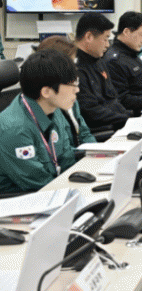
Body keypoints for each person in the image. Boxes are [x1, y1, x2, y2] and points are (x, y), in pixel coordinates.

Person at [0, 50, 82, 193]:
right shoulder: (14, 130)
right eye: (72, 85)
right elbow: (38, 183)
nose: (77, 90)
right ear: (46, 92)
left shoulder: (53, 109)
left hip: (54, 188)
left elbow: (66, 158)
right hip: (23, 199)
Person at [75, 12, 132, 130]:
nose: (107, 45)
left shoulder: (99, 61)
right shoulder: (75, 68)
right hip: (103, 130)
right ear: (89, 37)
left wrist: (130, 117)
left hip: (117, 123)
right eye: (105, 39)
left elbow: (113, 100)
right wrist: (127, 119)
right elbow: (91, 112)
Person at [36, 36, 96, 147]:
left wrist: (97, 152)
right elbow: (60, 152)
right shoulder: (46, 101)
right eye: (70, 64)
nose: (74, 69)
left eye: (74, 63)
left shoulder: (68, 92)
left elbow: (84, 133)